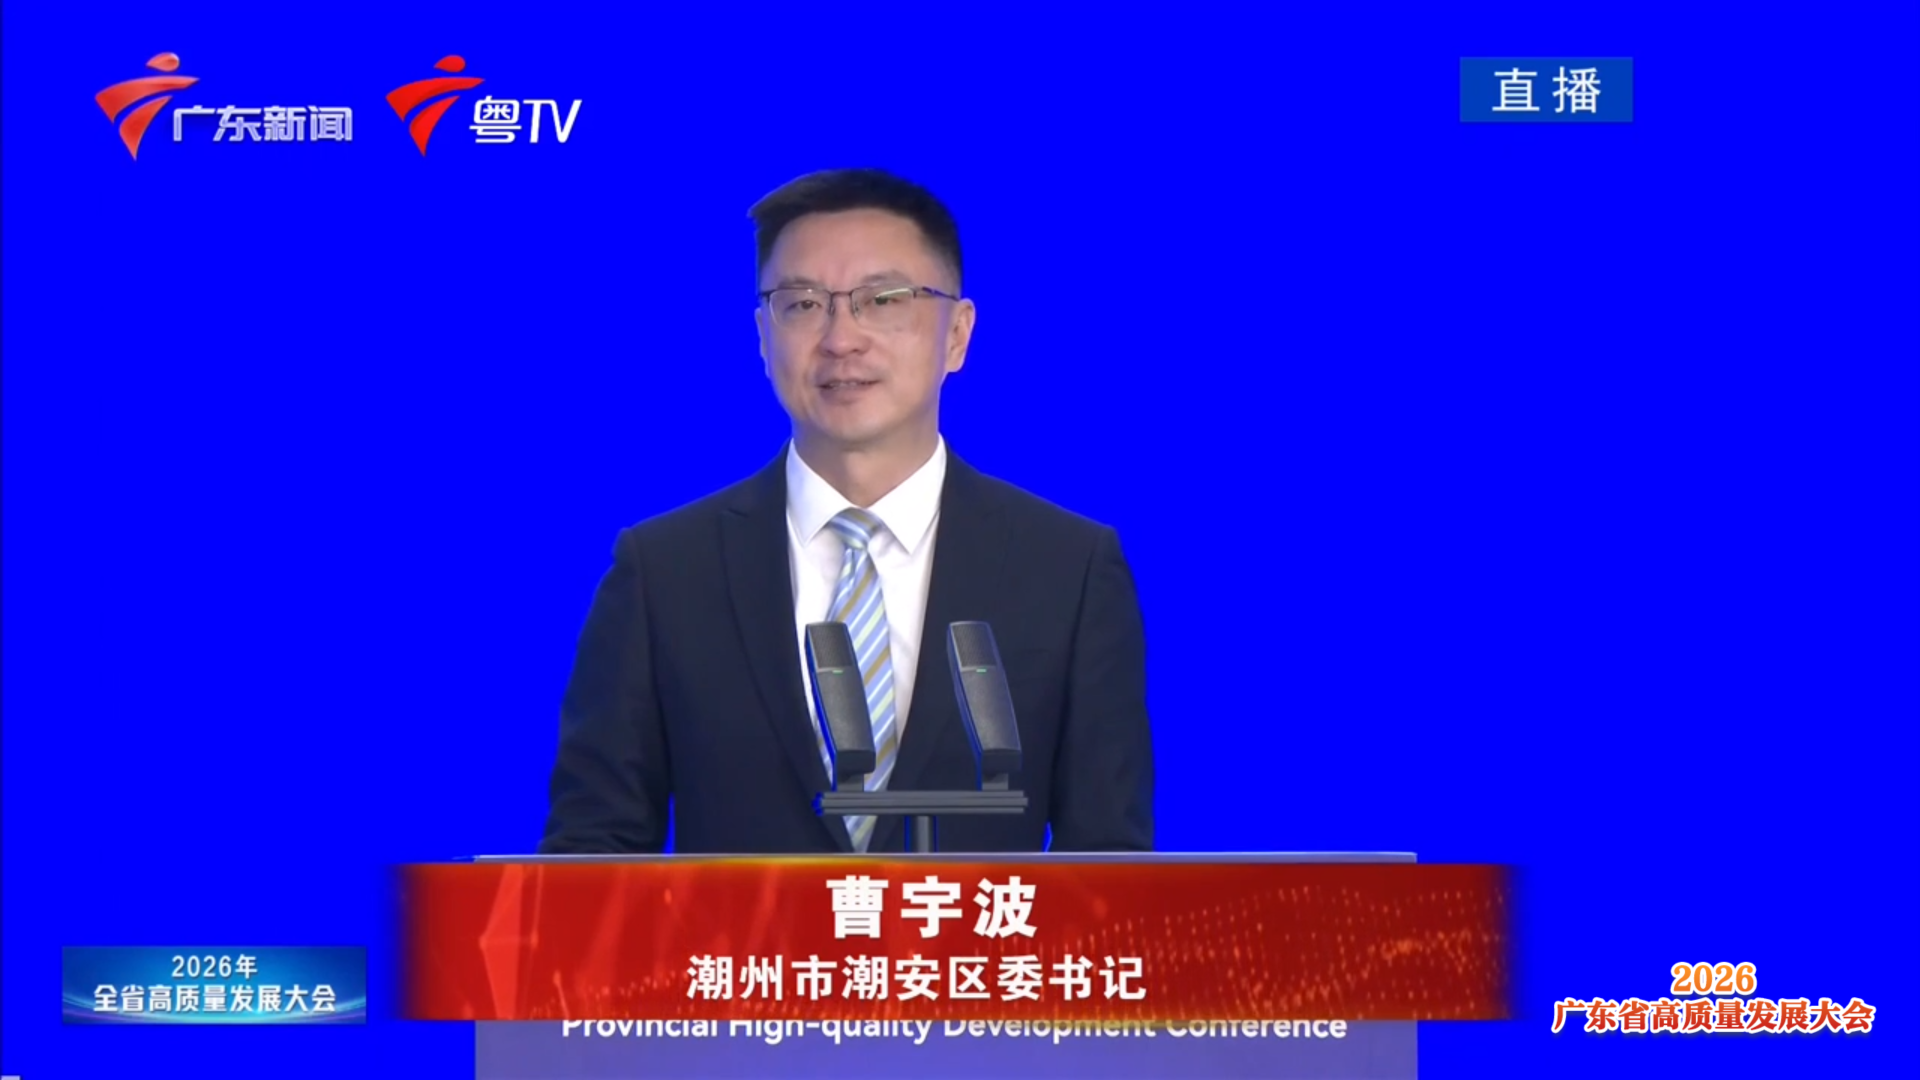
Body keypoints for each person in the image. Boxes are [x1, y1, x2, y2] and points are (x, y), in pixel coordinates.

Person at [538, 168, 1152, 855]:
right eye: (802, 304)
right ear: (763, 335)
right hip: (742, 936)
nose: (841, 339)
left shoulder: (1069, 570)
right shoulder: (663, 572)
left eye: (883, 300)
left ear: (957, 334)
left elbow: (1111, 868)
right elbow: (592, 854)